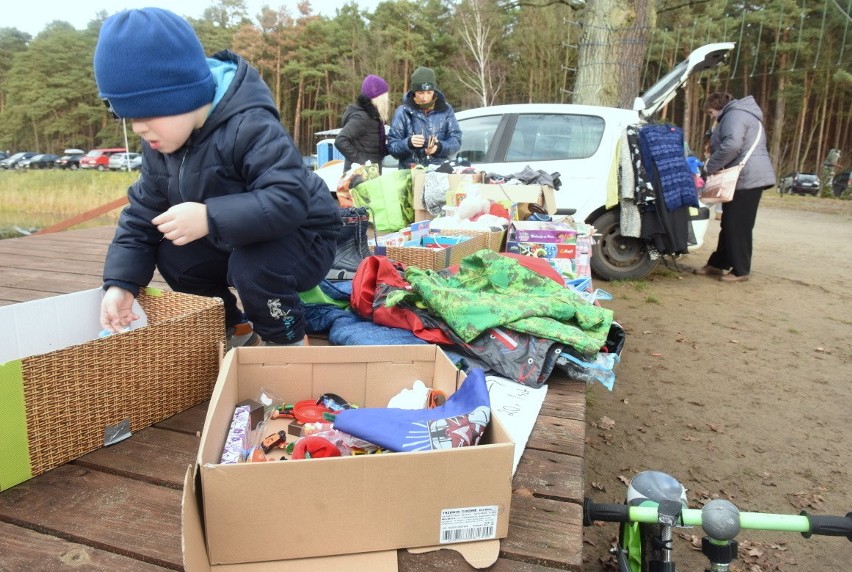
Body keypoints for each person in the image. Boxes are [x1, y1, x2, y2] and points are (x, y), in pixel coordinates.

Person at [93, 8, 341, 346]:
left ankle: (287, 342)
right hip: (235, 237)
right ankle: (234, 328)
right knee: (175, 258)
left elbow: (288, 198)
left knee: (253, 269)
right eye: (127, 116)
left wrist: (210, 217)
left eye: (147, 112)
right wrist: (120, 283)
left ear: (183, 94)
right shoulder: (160, 145)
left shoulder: (250, 124)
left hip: (303, 234)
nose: (138, 127)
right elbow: (140, 217)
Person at [694, 92, 775, 282]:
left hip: (747, 178)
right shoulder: (741, 114)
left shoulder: (734, 115)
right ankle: (718, 264)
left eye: (711, 113)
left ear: (717, 107)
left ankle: (741, 270)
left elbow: (732, 145)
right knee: (730, 223)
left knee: (739, 225)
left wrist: (708, 166)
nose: (712, 116)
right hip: (746, 176)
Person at [387, 66, 462, 169]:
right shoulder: (402, 112)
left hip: (439, 173)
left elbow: (456, 140)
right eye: (420, 93)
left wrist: (439, 147)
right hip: (410, 175)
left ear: (434, 91)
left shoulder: (446, 109)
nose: (425, 98)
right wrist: (408, 143)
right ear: (414, 92)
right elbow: (392, 147)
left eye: (429, 92)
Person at [334, 75, 390, 172]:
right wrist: (362, 162)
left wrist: (397, 144)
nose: (387, 100)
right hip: (359, 177)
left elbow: (375, 151)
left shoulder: (375, 118)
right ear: (378, 98)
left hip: (371, 176)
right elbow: (340, 140)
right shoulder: (362, 118)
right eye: (385, 96)